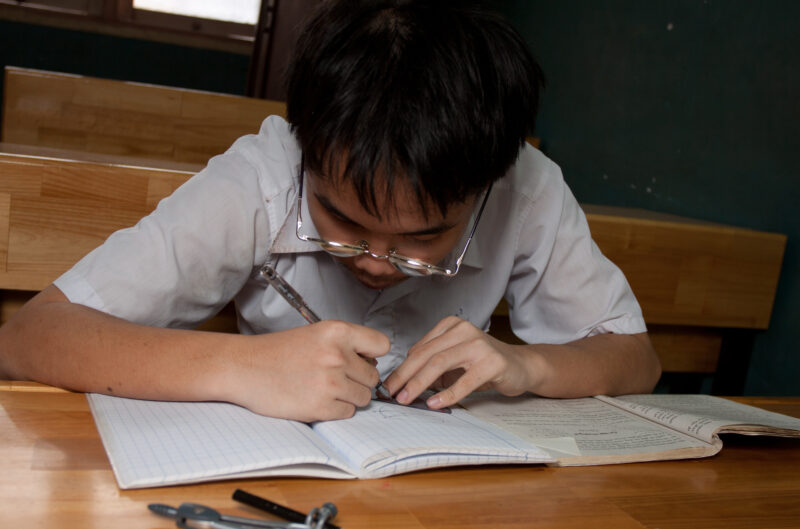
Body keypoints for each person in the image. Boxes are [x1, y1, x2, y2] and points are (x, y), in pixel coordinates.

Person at [0, 0, 661, 422]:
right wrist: (240, 365)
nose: (375, 262)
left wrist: (528, 366)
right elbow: (29, 337)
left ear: (488, 184)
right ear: (308, 154)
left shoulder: (526, 186)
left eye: (422, 237)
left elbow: (637, 359)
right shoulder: (260, 176)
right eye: (343, 222)